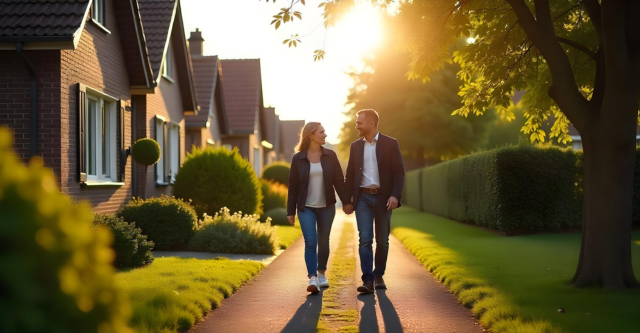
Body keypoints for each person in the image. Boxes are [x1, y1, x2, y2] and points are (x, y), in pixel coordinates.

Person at [343, 109, 405, 294]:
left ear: (371, 124)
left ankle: (379, 275)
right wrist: (347, 200)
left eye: (359, 123)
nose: (357, 126)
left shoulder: (390, 144)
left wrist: (395, 195)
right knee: (365, 239)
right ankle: (368, 280)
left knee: (383, 241)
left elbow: (399, 172)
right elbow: (350, 175)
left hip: (384, 198)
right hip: (363, 198)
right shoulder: (355, 146)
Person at [287, 122, 349, 294]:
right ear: (311, 135)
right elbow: (293, 186)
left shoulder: (330, 156)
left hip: (326, 207)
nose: (325, 135)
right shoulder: (298, 158)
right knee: (311, 241)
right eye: (321, 132)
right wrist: (290, 211)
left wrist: (346, 202)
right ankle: (312, 277)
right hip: (305, 207)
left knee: (323, 241)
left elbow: (339, 180)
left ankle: (322, 273)